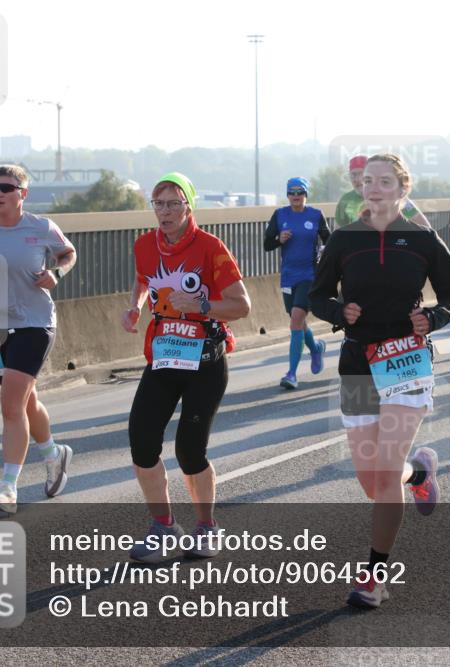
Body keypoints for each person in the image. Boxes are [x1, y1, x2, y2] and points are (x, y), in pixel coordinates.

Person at [310, 153, 450, 609]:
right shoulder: (343, 240)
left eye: (385, 181)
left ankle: (374, 575)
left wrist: (433, 317)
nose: (374, 188)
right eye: (368, 181)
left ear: (402, 189)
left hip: (407, 361)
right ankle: (419, 472)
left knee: (382, 472)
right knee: (372, 481)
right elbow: (316, 295)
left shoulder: (421, 239)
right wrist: (338, 312)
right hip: (358, 360)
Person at [121, 172, 251, 562]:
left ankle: (206, 527)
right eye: (159, 204)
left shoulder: (211, 247)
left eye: (174, 203)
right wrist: (135, 306)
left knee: (189, 451)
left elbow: (242, 305)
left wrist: (201, 306)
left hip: (205, 360)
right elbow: (143, 280)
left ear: (189, 206)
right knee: (142, 442)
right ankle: (163, 526)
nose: (165, 211)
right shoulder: (144, 244)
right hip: (163, 356)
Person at [0, 165, 76, 513]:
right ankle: (54, 454)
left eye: (6, 188)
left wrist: (57, 272)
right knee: (24, 401)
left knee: (10, 405)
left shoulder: (41, 227)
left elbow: (68, 253)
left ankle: (8, 487)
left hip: (35, 323)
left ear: (23, 194)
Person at [263, 177, 330, 389]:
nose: (295, 196)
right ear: (287, 195)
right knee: (297, 321)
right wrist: (279, 240)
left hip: (309, 275)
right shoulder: (280, 215)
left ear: (305, 194)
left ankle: (291, 373)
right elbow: (267, 244)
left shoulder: (316, 215)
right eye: (291, 193)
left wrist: (326, 255)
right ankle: (316, 347)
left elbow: (330, 240)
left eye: (299, 192)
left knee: (295, 321)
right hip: (288, 276)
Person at [335, 154, 431, 229]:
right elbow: (338, 233)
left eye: (361, 174)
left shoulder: (399, 200)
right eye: (353, 175)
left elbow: (425, 226)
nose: (357, 179)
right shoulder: (345, 200)